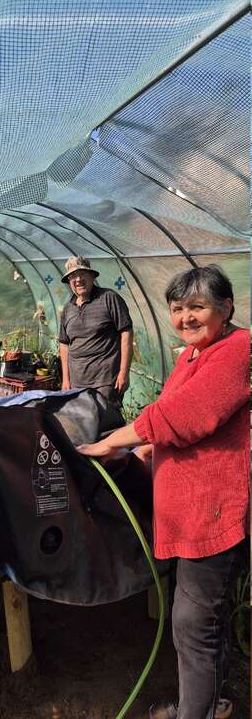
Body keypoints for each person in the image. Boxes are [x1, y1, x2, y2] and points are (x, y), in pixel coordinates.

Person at [77, 265, 250, 719]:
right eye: (177, 309)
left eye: (197, 307)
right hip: (190, 512)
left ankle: (197, 712)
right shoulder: (193, 355)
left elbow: (184, 416)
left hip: (213, 512)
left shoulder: (238, 350)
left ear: (226, 306)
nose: (185, 318)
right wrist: (140, 455)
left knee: (193, 623)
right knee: (199, 617)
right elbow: (168, 421)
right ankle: (213, 702)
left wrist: (111, 441)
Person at [59, 255, 133, 426]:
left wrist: (124, 372)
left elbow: (126, 333)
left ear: (92, 276)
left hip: (105, 379)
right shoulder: (68, 308)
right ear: (69, 281)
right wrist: (66, 379)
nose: (77, 279)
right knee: (83, 424)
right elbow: (64, 344)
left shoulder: (109, 298)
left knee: (106, 423)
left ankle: (119, 451)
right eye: (72, 276)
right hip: (78, 380)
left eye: (82, 274)